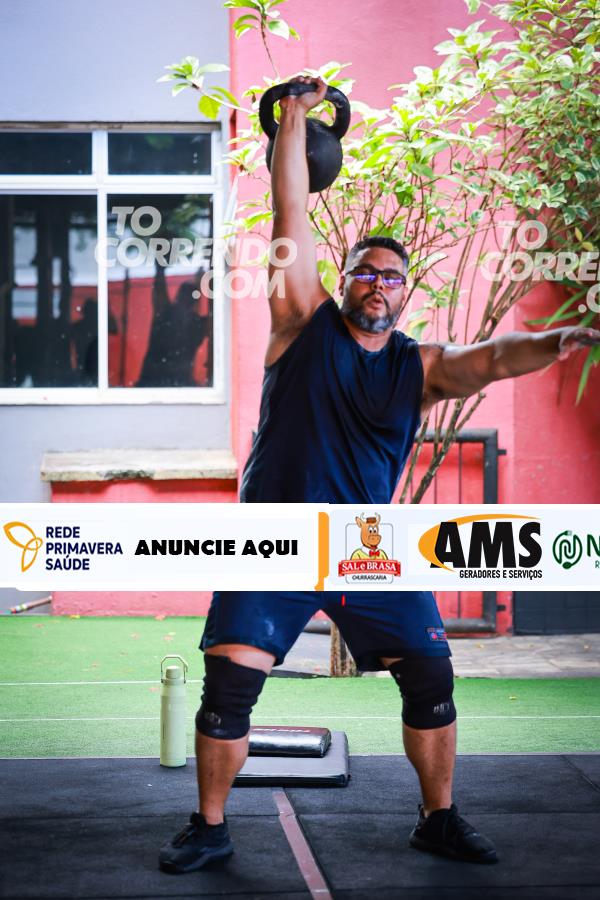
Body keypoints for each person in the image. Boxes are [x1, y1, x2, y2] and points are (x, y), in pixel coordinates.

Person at [159, 76, 600, 874]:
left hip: (369, 546)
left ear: (405, 293)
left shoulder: (419, 367)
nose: (377, 284)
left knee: (431, 679)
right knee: (228, 691)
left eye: (392, 277)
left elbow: (493, 358)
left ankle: (438, 818)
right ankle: (210, 826)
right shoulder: (300, 321)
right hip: (275, 540)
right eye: (365, 272)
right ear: (346, 280)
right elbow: (290, 214)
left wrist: (559, 340)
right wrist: (294, 118)